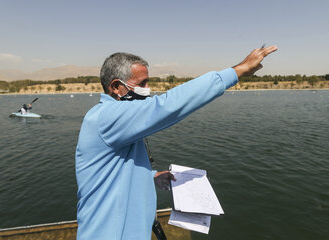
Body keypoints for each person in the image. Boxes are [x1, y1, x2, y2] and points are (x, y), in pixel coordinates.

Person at [75, 46, 278, 240]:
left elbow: (113, 170)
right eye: (142, 83)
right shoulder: (106, 117)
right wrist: (238, 70)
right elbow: (167, 105)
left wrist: (150, 176)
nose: (149, 89)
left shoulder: (115, 121)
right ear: (116, 87)